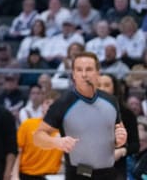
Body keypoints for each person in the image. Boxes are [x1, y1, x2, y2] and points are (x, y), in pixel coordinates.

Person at [33, 52, 128, 180]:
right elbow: (38, 137)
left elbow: (118, 132)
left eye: (89, 69)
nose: (84, 75)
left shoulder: (111, 101)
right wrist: (56, 142)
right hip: (79, 173)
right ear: (73, 74)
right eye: (79, 70)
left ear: (98, 73)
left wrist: (120, 139)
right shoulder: (63, 103)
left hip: (109, 173)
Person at [97, 74, 138, 180]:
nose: (102, 88)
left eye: (106, 85)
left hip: (115, 169)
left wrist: (121, 151)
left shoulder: (127, 114)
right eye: (99, 85)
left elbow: (135, 145)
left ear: (114, 88)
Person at [15, 90, 63, 180]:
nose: (50, 107)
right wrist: (14, 176)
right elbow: (17, 152)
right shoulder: (28, 125)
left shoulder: (65, 131)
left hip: (52, 176)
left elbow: (72, 161)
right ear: (42, 106)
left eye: (55, 104)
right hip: (26, 175)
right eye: (47, 103)